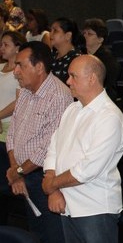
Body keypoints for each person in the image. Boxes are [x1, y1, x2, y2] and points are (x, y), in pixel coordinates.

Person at [41, 55, 123, 243]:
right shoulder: (72, 109)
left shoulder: (109, 117)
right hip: (66, 202)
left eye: (73, 76)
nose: (68, 81)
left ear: (92, 79)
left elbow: (87, 170)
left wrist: (52, 185)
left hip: (94, 208)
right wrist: (52, 187)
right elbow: (54, 147)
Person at [6, 41, 73, 243]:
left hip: (44, 178)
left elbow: (48, 147)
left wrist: (18, 172)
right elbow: (12, 134)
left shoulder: (59, 96)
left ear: (39, 67)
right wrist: (16, 172)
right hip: (24, 174)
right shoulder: (26, 91)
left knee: (52, 235)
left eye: (21, 65)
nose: (15, 71)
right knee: (35, 235)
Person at [82, 18, 120, 101]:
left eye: (89, 34)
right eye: (84, 33)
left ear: (100, 39)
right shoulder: (81, 55)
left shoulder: (108, 58)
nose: (85, 36)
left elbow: (107, 83)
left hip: (103, 98)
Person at [0, 31, 24, 142]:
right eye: (1, 45)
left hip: (9, 124)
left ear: (17, 48)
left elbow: (19, 101)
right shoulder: (0, 66)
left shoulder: (22, 71)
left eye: (6, 45)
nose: (2, 48)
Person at [50, 17, 83, 85]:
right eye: (51, 30)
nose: (50, 34)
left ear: (68, 35)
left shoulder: (76, 59)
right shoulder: (51, 56)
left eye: (55, 30)